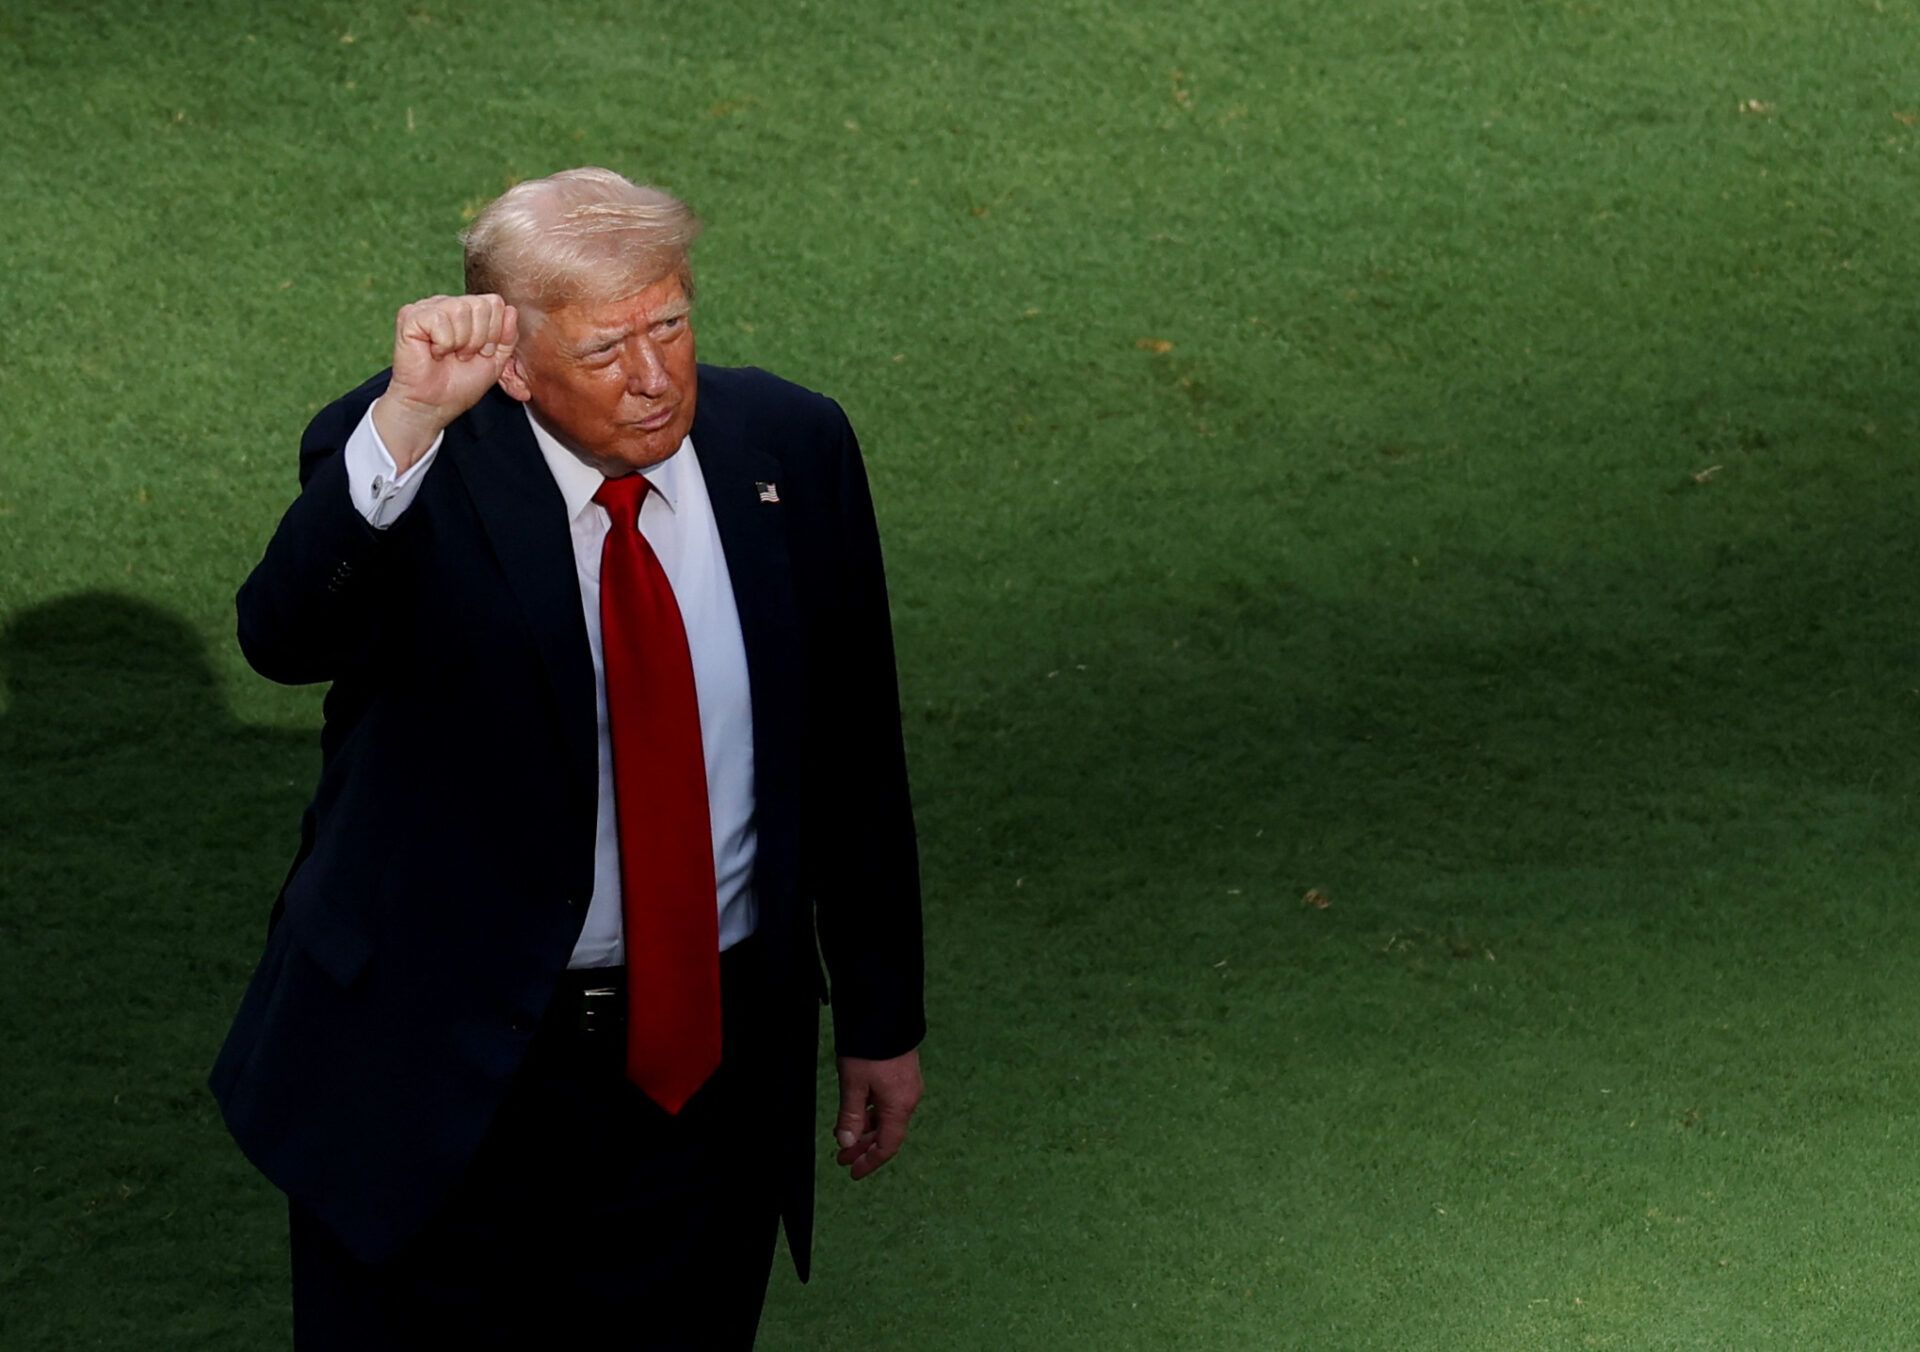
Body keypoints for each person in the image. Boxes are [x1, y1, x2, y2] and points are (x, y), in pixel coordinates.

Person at [210, 166, 926, 1349]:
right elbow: (285, 639)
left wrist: (881, 1014)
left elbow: (852, 746)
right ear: (517, 362)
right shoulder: (410, 451)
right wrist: (404, 426)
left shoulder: (792, 445)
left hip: (703, 1083)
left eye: (672, 325)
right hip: (441, 1077)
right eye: (605, 350)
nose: (653, 377)